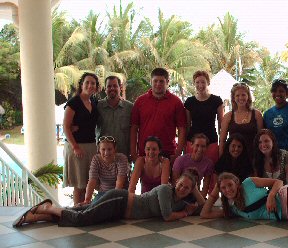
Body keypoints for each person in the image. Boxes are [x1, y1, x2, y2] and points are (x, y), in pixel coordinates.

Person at [13, 172, 205, 227]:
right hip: (119, 201)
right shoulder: (165, 190)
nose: (182, 188)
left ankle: (35, 217)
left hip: (118, 211)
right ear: (175, 181)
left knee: (77, 213)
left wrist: (194, 189)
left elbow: (203, 208)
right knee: (82, 220)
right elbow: (167, 216)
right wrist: (184, 213)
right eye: (181, 184)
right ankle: (49, 206)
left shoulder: (182, 201)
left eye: (187, 187)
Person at [130, 68, 186, 164]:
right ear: (151, 81)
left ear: (167, 82)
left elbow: (182, 129)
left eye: (161, 81)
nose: (158, 84)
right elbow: (134, 128)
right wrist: (133, 153)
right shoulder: (140, 101)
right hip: (145, 153)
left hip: (168, 153)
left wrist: (177, 153)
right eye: (155, 81)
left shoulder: (176, 102)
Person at [63, 72, 100, 205]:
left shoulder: (94, 102)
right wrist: (75, 147)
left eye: (93, 83)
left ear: (96, 87)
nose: (90, 85)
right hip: (76, 146)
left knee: (88, 182)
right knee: (79, 184)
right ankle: (77, 211)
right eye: (87, 82)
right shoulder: (74, 102)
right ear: (81, 84)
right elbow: (66, 127)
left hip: (91, 146)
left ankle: (85, 209)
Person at [184, 70, 224, 164]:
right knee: (191, 172)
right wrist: (184, 145)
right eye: (197, 82)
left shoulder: (216, 101)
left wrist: (222, 144)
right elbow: (187, 125)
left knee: (211, 171)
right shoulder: (189, 102)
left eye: (203, 82)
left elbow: (221, 125)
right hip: (193, 142)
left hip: (211, 141)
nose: (200, 85)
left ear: (208, 83)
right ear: (194, 83)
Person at [219, 83, 263, 158]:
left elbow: (261, 138)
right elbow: (222, 141)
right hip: (233, 157)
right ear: (233, 98)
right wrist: (221, 159)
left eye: (243, 95)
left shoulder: (257, 114)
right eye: (237, 95)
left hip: (252, 156)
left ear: (248, 96)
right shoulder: (228, 116)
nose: (241, 98)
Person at [82, 136, 128, 204]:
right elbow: (92, 181)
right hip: (102, 193)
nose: (106, 153)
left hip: (120, 193)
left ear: (115, 149)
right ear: (99, 150)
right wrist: (87, 200)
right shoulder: (96, 159)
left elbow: (119, 183)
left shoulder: (122, 158)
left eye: (109, 149)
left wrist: (112, 201)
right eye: (103, 149)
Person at [97, 76, 133, 159]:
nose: (112, 88)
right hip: (103, 156)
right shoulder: (97, 106)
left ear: (120, 87)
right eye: (109, 86)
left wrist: (132, 152)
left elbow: (134, 131)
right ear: (105, 89)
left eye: (115, 86)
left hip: (123, 155)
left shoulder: (129, 107)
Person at [172, 133, 213, 198]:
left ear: (207, 147)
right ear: (191, 145)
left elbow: (205, 187)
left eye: (203, 146)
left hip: (195, 194)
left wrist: (200, 202)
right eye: (197, 145)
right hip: (179, 192)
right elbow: (174, 182)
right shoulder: (180, 160)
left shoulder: (208, 163)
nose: (199, 149)